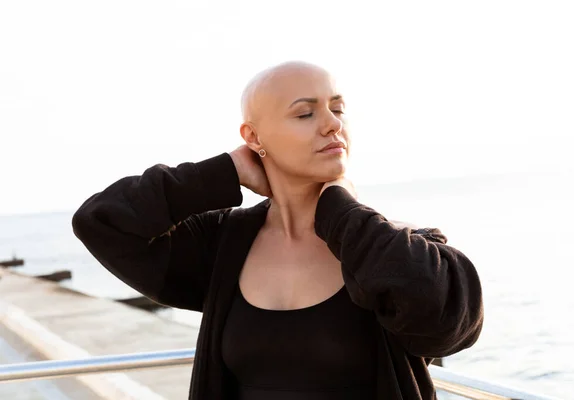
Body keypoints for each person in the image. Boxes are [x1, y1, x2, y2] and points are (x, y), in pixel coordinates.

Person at [72, 61, 484, 400]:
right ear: (253, 136)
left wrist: (342, 211)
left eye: (337, 109)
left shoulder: (393, 244)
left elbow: (450, 326)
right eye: (305, 113)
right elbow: (102, 222)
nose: (331, 125)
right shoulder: (222, 247)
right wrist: (223, 173)